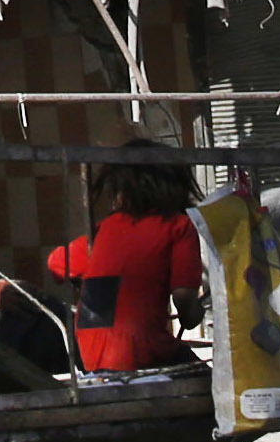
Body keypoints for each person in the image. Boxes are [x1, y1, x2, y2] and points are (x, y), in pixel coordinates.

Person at [44, 142, 199, 375]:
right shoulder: (178, 227)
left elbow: (56, 262)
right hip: (143, 351)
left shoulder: (103, 231)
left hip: (91, 357)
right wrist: (195, 316)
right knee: (207, 382)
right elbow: (184, 299)